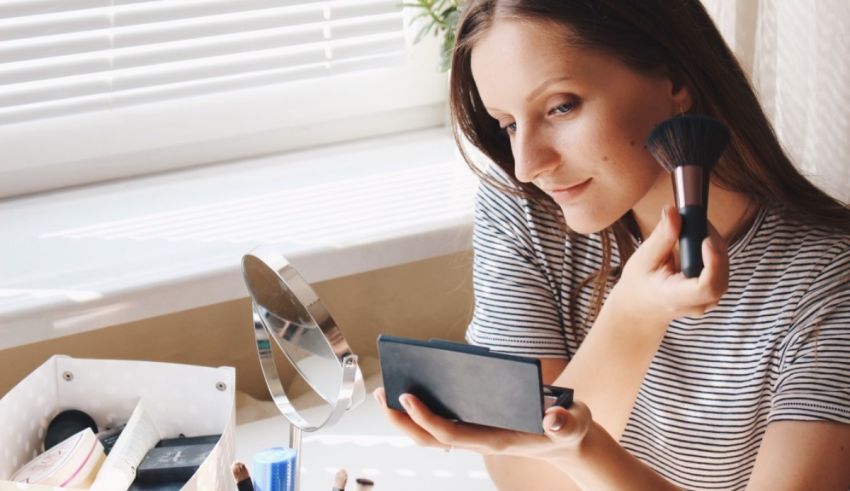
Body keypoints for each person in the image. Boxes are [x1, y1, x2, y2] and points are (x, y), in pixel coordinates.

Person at [375, 0, 850, 489]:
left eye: (561, 105)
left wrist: (633, 326)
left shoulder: (831, 282)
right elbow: (526, 481)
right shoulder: (526, 209)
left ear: (676, 79)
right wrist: (631, 319)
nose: (528, 164)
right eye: (509, 123)